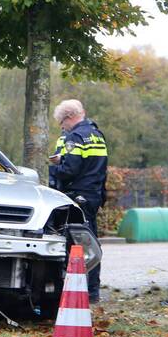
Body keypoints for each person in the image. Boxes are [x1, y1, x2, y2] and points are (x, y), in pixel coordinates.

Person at [48, 99, 108, 303]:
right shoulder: (97, 135)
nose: (62, 127)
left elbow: (69, 171)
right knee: (92, 243)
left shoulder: (75, 136)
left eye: (61, 122)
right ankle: (93, 291)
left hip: (79, 195)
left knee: (77, 243)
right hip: (94, 194)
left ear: (69, 117)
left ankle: (84, 292)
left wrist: (54, 167)